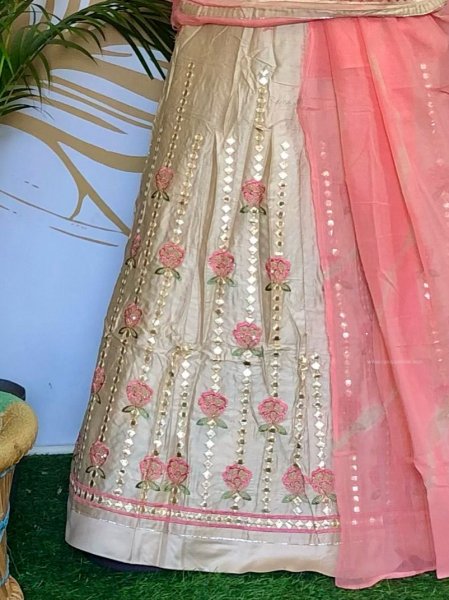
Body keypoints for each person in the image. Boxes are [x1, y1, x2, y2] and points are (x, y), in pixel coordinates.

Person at [66, 0, 449, 588]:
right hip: (238, 53)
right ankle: (157, 517)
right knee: (212, 244)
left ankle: (374, 514)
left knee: (366, 257)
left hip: (374, 49)